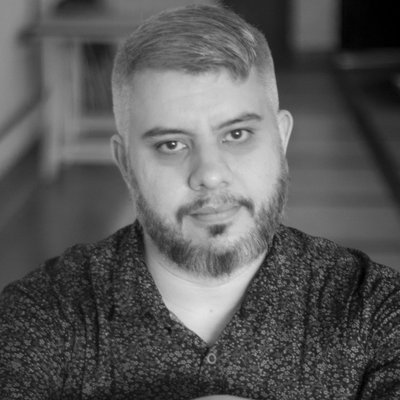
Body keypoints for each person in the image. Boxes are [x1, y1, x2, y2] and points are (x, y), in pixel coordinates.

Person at [1, 4, 400, 399]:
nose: (209, 173)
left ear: (281, 140)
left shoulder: (376, 309)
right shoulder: (42, 313)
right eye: (171, 144)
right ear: (125, 163)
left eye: (237, 135)